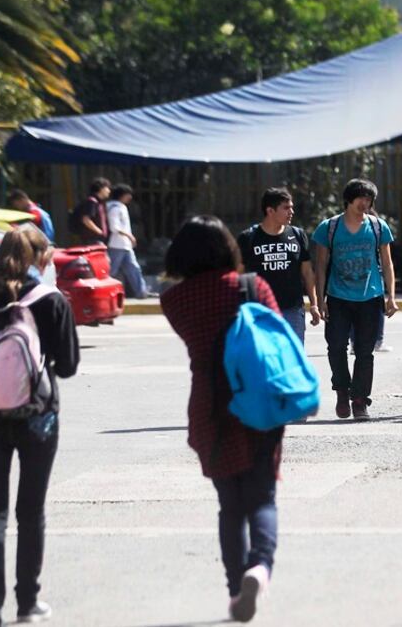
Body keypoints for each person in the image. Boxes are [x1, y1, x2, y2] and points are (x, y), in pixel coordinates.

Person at [0, 228, 79, 627]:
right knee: (31, 511)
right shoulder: (50, 300)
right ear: (37, 259)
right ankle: (28, 604)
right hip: (37, 417)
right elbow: (70, 365)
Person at [160, 216, 283, 623]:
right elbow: (277, 338)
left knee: (229, 506)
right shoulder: (253, 287)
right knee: (262, 497)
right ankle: (259, 569)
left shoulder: (174, 301)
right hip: (258, 403)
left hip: (209, 408)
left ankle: (235, 592)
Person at [312, 179, 398, 421]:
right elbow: (320, 266)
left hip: (370, 297)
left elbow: (388, 263)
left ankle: (360, 401)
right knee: (336, 346)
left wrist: (391, 296)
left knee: (365, 351)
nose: (365, 203)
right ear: (349, 199)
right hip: (338, 297)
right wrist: (320, 300)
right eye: (361, 198)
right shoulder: (328, 228)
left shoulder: (378, 227)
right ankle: (342, 390)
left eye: (369, 199)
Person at [238, 188, 319, 343]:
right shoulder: (249, 237)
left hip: (293, 310)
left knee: (293, 360)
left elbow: (307, 273)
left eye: (292, 207)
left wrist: (314, 304)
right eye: (286, 208)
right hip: (261, 310)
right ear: (270, 210)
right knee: (264, 360)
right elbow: (237, 274)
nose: (291, 212)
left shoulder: (297, 235)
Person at [106, 183, 152, 298]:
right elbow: (114, 227)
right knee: (111, 271)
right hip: (116, 245)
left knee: (133, 268)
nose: (130, 197)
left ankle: (141, 292)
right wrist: (130, 236)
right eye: (128, 194)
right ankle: (106, 293)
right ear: (122, 195)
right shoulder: (114, 208)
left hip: (124, 245)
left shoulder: (120, 207)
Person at [69, 178, 111, 245]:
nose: (109, 191)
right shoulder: (92, 202)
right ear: (101, 188)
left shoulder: (99, 202)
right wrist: (99, 232)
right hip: (93, 239)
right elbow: (86, 220)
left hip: (96, 239)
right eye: (107, 188)